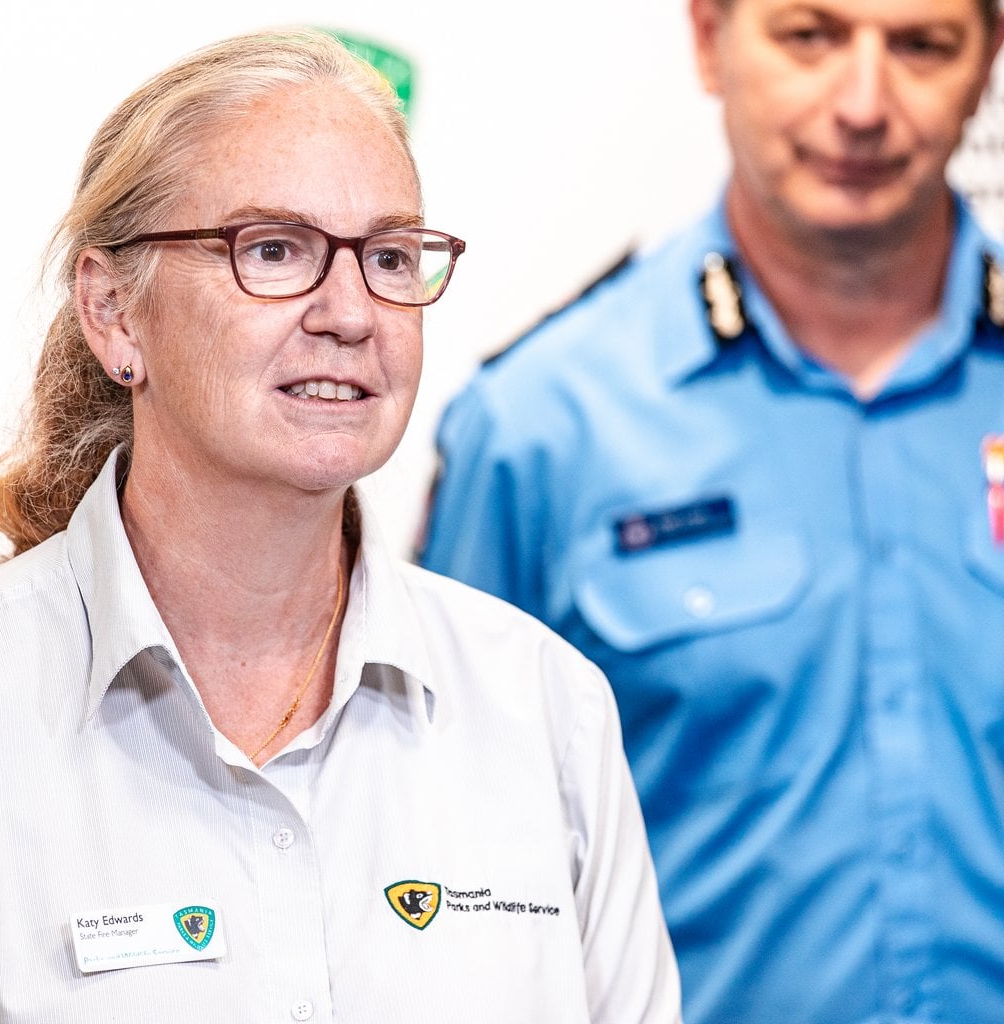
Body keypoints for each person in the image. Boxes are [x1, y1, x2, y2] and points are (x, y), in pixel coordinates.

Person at [0, 28, 680, 1024]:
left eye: (390, 257)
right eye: (273, 250)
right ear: (115, 312)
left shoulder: (547, 708)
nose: (351, 313)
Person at [419, 1, 1004, 1022]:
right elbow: (445, 884)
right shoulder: (542, 428)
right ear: (707, 40)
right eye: (810, 36)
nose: (864, 105)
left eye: (921, 46)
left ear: (987, 62)